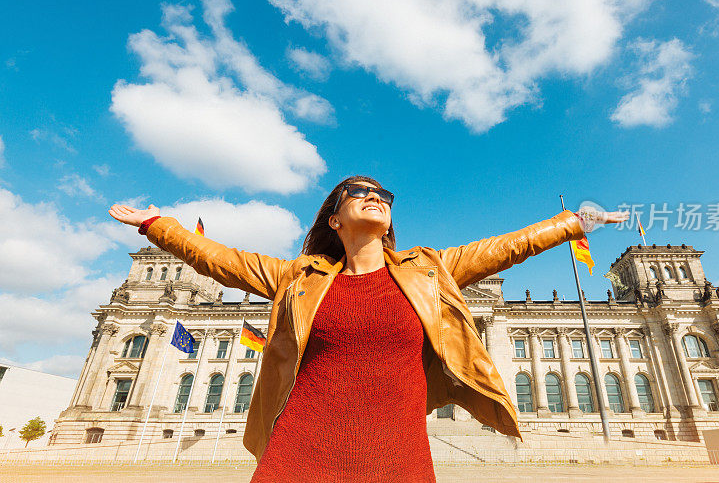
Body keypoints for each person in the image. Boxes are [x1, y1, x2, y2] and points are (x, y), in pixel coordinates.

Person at [108, 175, 628, 482]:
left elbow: (505, 247)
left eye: (384, 194)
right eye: (358, 192)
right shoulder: (298, 277)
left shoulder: (427, 269)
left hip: (396, 450)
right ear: (334, 218)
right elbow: (219, 259)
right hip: (299, 449)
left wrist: (574, 223)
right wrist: (159, 226)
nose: (375, 196)